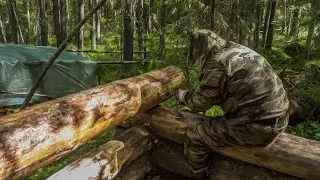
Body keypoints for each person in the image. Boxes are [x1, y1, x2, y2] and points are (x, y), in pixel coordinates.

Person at [176, 29, 292, 178]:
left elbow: (199, 104)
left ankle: (197, 175)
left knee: (195, 133)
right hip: (280, 119)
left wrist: (183, 95)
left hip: (258, 129)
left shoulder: (218, 63)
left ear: (201, 50)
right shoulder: (237, 50)